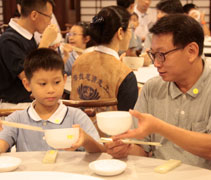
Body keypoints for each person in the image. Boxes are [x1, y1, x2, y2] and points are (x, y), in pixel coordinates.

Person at [110, 14, 211, 169]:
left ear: (191, 51)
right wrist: (126, 149)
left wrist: (159, 127)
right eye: (153, 55)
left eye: (162, 55)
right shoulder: (152, 88)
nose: (156, 63)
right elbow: (143, 150)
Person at [0, 48, 105, 153]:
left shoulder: (76, 117)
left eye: (57, 82)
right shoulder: (16, 119)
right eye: (43, 84)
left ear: (64, 80)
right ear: (27, 85)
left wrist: (86, 140)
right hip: (30, 170)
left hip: (67, 170)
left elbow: (100, 152)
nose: (51, 90)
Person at [71, 6, 138, 111]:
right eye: (130, 29)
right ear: (120, 33)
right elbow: (128, 118)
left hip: (76, 126)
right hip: (108, 127)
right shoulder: (125, 74)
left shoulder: (79, 61)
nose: (131, 34)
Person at [0, 0, 58, 108]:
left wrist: (46, 50)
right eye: (49, 17)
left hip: (29, 103)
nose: (50, 22)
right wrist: (44, 43)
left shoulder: (28, 36)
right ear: (34, 15)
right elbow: (28, 76)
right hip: (14, 107)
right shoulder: (8, 40)